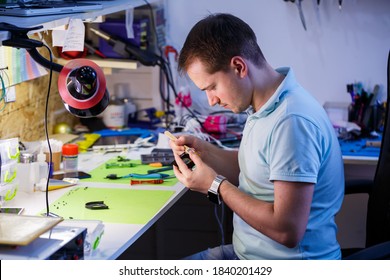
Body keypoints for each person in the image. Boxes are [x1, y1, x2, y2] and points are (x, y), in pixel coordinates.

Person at [168, 13, 345, 260]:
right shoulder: (263, 105)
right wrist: (204, 151)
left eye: (212, 87)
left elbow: (287, 230)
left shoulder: (292, 122)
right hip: (249, 255)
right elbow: (255, 170)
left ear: (239, 67)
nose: (212, 100)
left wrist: (215, 186)